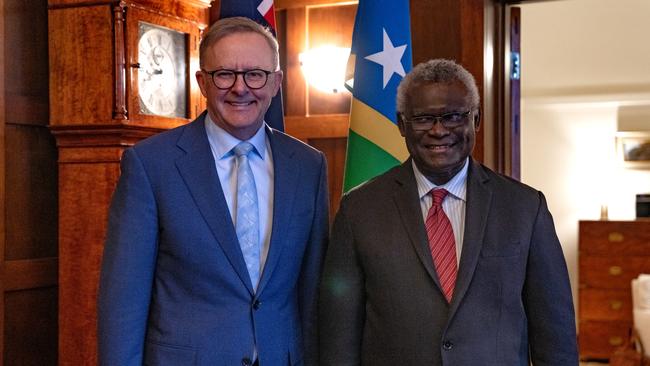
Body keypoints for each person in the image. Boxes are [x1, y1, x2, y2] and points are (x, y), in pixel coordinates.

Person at [98, 17, 329, 366]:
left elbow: (312, 293)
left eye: (255, 74)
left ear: (276, 82)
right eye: (224, 74)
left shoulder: (308, 166)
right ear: (202, 82)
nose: (240, 88)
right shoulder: (151, 165)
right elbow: (123, 303)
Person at [319, 59, 578, 365]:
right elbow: (338, 340)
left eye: (453, 116)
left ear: (476, 120)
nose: (439, 131)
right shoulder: (359, 210)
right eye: (423, 118)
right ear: (402, 125)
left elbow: (555, 338)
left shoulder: (524, 209)